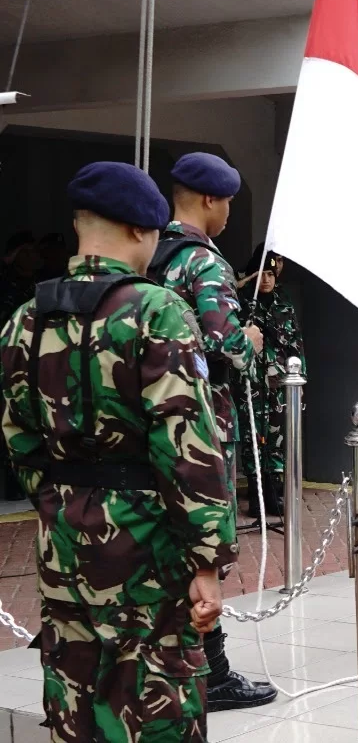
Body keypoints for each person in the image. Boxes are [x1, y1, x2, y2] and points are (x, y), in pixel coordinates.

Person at [0, 162, 236, 741]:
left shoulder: (26, 319)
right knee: (157, 702)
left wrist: (61, 499)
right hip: (147, 547)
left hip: (62, 541)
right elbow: (187, 445)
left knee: (74, 699)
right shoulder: (156, 310)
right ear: (139, 230)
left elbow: (18, 435)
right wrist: (208, 560)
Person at [148, 153, 275, 708]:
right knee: (205, 539)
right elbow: (225, 343)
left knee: (166, 535)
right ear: (209, 200)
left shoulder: (150, 252)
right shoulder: (203, 262)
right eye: (227, 203)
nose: (228, 213)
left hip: (153, 417)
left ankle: (172, 660)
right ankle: (213, 672)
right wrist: (251, 340)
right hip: (202, 419)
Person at [237, 245, 304, 521]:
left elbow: (296, 346)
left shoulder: (284, 304)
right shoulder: (242, 304)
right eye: (260, 274)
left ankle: (274, 494)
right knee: (252, 437)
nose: (265, 280)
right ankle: (256, 496)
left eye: (270, 274)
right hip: (250, 384)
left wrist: (299, 383)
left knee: (276, 439)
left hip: (277, 386)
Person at [0, 232, 41, 323]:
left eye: (33, 251)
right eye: (25, 251)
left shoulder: (41, 282)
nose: (30, 255)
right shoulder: (5, 285)